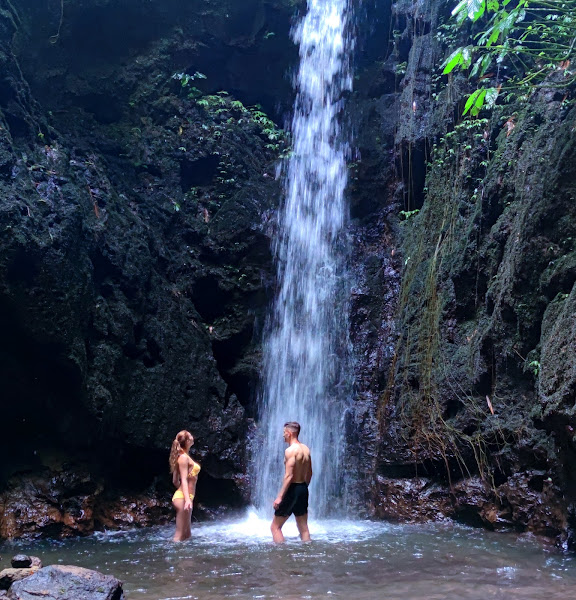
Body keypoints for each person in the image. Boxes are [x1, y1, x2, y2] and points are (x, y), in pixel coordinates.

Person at [271, 421, 313, 543]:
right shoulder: (306, 449)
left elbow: (289, 476)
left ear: (289, 433)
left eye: (284, 433)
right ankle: (308, 553)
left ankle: (281, 555)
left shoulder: (290, 451)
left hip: (292, 489)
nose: (283, 435)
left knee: (275, 527)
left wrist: (279, 497)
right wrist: (303, 488)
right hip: (303, 488)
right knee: (303, 528)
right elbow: (310, 473)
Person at [169, 430, 201, 542]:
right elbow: (182, 479)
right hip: (183, 499)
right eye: (190, 436)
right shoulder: (183, 458)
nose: (193, 437)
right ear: (187, 441)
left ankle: (185, 559)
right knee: (179, 535)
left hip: (185, 497)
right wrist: (186, 499)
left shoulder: (183, 456)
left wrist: (186, 495)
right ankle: (172, 557)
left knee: (187, 534)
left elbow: (174, 481)